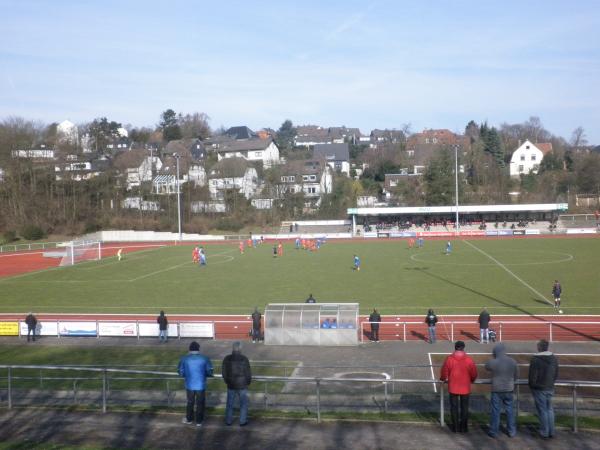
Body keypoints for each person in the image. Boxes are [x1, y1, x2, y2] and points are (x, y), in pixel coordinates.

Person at [440, 341, 478, 433]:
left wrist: (443, 378)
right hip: (465, 387)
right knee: (464, 407)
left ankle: (455, 428)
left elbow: (444, 372)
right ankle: (464, 427)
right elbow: (474, 373)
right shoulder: (468, 359)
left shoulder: (449, 359)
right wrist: (472, 380)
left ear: (455, 347)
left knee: (454, 407)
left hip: (453, 386)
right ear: (463, 348)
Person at [485, 343, 518, 438]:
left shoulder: (494, 362)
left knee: (495, 411)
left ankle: (494, 431)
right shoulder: (512, 361)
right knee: (510, 411)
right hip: (509, 389)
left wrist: (493, 357)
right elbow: (516, 375)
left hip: (497, 390)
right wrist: (511, 382)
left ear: (495, 352)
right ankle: (511, 431)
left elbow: (486, 366)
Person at [177, 341, 214, 427]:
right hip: (200, 385)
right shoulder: (204, 358)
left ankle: (189, 419)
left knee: (190, 402)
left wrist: (185, 375)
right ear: (198, 349)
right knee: (200, 402)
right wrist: (207, 375)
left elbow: (180, 371)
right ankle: (199, 421)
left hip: (189, 384)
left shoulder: (184, 358)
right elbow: (210, 371)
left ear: (190, 349)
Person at [528, 339, 559, 439]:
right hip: (549, 387)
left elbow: (532, 375)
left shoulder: (535, 359)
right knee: (549, 410)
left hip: (539, 388)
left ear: (539, 347)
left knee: (543, 411)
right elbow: (556, 373)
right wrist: (551, 383)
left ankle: (544, 432)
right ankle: (551, 432)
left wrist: (532, 385)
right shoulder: (553, 358)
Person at [222, 341, 252, 427]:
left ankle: (228, 421)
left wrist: (226, 381)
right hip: (242, 385)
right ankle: (242, 421)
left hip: (231, 385)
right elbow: (248, 373)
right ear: (240, 349)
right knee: (243, 404)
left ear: (233, 348)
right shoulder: (244, 359)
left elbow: (224, 372)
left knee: (229, 404)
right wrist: (248, 382)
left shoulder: (227, 358)